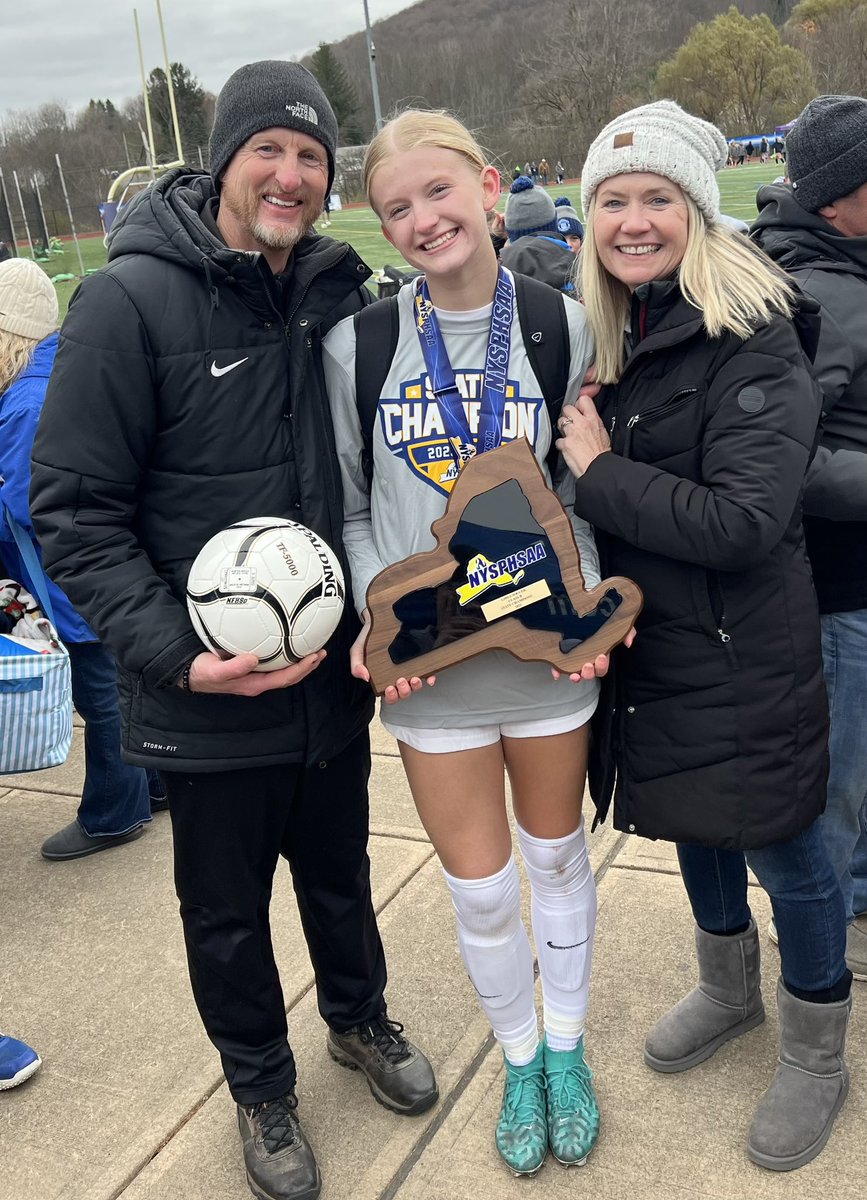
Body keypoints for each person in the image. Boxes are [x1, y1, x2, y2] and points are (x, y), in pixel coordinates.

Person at [30, 61, 436, 1200]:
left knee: (342, 876)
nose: (292, 174)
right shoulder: (128, 302)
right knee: (224, 913)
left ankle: (359, 1023)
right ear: (224, 158)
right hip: (205, 689)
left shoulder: (336, 293)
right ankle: (261, 1088)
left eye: (312, 156)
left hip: (326, 681)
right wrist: (174, 653)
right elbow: (72, 510)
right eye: (269, 148)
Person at [556, 99, 851, 1173]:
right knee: (692, 824)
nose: (633, 221)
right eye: (612, 202)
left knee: (786, 844)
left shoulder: (751, 332)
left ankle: (818, 1046)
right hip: (660, 645)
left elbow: (743, 520)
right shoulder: (620, 328)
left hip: (745, 648)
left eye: (655, 199)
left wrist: (598, 471)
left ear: (696, 209)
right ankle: (727, 991)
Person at [323, 109, 610, 1179]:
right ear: (382, 225)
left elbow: (581, 490)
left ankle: (569, 1054)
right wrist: (385, 614)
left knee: (556, 862)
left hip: (543, 662)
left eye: (439, 193)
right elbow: (353, 510)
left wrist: (576, 607)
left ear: (488, 187)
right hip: (432, 675)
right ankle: (519, 1055)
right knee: (483, 892)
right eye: (397, 208)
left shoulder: (561, 323)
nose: (423, 219)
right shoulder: (357, 346)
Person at [752, 94, 867, 982]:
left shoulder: (841, 263)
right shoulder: (823, 289)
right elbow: (785, 455)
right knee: (836, 785)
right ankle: (818, 941)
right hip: (841, 589)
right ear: (835, 199)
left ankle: (848, 897)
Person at [0, 258, 158, 860]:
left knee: (103, 702)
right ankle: (156, 784)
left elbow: (28, 504)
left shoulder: (21, 405)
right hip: (100, 572)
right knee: (128, 692)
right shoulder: (58, 372)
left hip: (69, 584)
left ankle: (114, 813)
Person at [500, 176, 575, 293]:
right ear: (554, 225)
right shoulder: (578, 269)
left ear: (509, 232)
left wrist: (496, 240)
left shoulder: (500, 275)